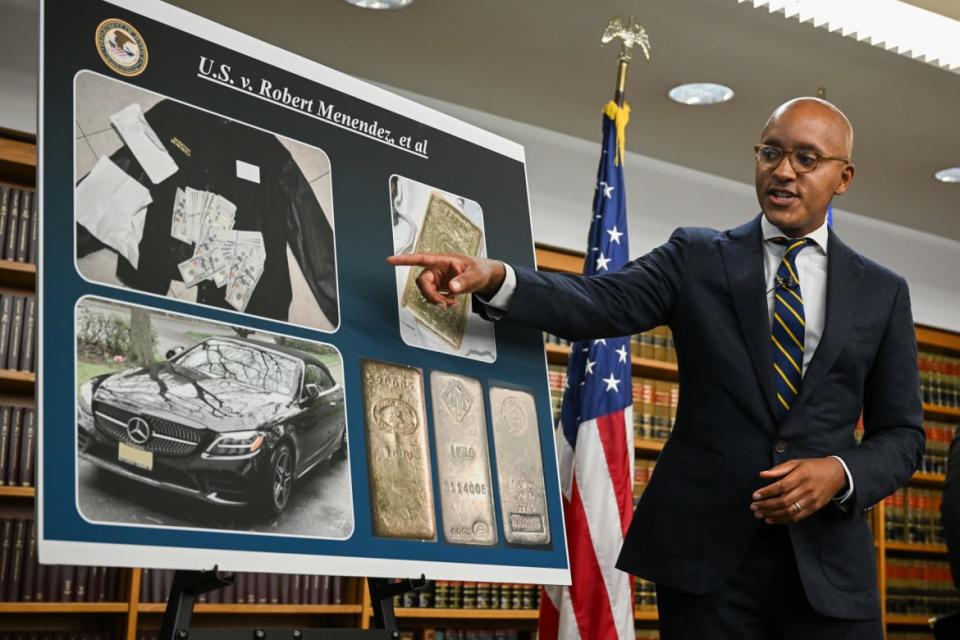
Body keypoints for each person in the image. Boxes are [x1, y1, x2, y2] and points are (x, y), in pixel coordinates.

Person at [388, 97, 925, 639]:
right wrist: (496, 277)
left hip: (828, 571)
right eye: (771, 153)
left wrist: (840, 473)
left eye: (807, 159)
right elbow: (598, 302)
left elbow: (902, 435)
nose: (783, 171)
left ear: (844, 177)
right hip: (706, 565)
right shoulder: (697, 256)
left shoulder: (882, 293)